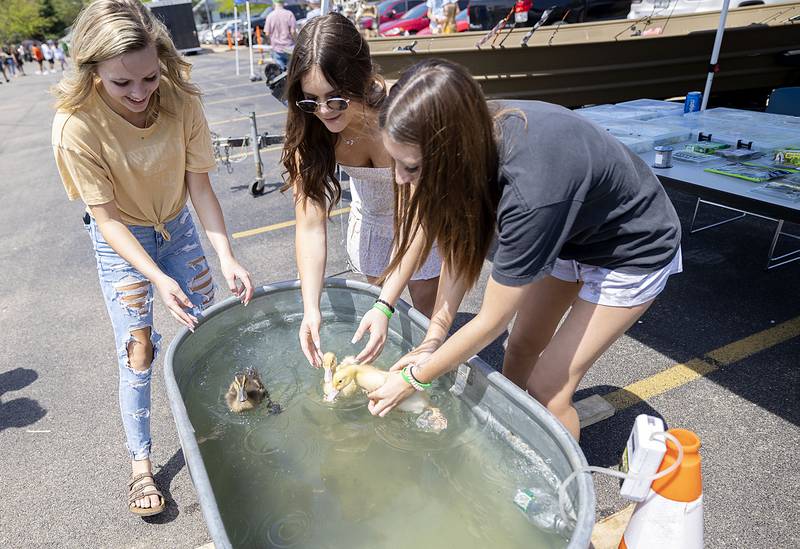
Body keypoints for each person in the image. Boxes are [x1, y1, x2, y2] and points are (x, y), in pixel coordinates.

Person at [366, 60, 683, 440]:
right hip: (570, 235)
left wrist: (414, 378)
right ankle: (508, 436)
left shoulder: (529, 192)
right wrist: (433, 340)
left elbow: (490, 321)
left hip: (632, 248)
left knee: (548, 390)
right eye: (395, 163)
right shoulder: (469, 128)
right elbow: (455, 247)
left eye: (412, 168)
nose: (400, 179)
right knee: (519, 348)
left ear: (452, 150)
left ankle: (563, 495)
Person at [51, 0, 253, 516]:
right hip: (124, 241)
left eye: (149, 77)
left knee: (211, 323)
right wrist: (157, 277)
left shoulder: (181, 100)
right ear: (92, 70)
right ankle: (141, 465)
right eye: (122, 84)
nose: (140, 94)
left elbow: (201, 188)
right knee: (137, 349)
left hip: (179, 225)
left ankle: (230, 419)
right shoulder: (75, 126)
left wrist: (225, 255)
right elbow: (108, 219)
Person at [281, 14, 441, 368]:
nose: (323, 111)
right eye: (311, 99)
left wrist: (385, 304)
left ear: (361, 77)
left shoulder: (399, 117)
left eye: (335, 98)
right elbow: (309, 225)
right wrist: (311, 308)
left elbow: (418, 221)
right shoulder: (310, 129)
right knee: (389, 321)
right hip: (373, 226)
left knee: (428, 318)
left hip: (418, 221)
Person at [264, 0, 297, 71]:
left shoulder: (270, 16)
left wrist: (270, 42)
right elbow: (293, 31)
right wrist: (296, 41)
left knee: (280, 72)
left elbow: (267, 33)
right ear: (283, 3)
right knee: (291, 71)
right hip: (289, 47)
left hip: (276, 48)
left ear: (273, 3)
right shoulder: (289, 14)